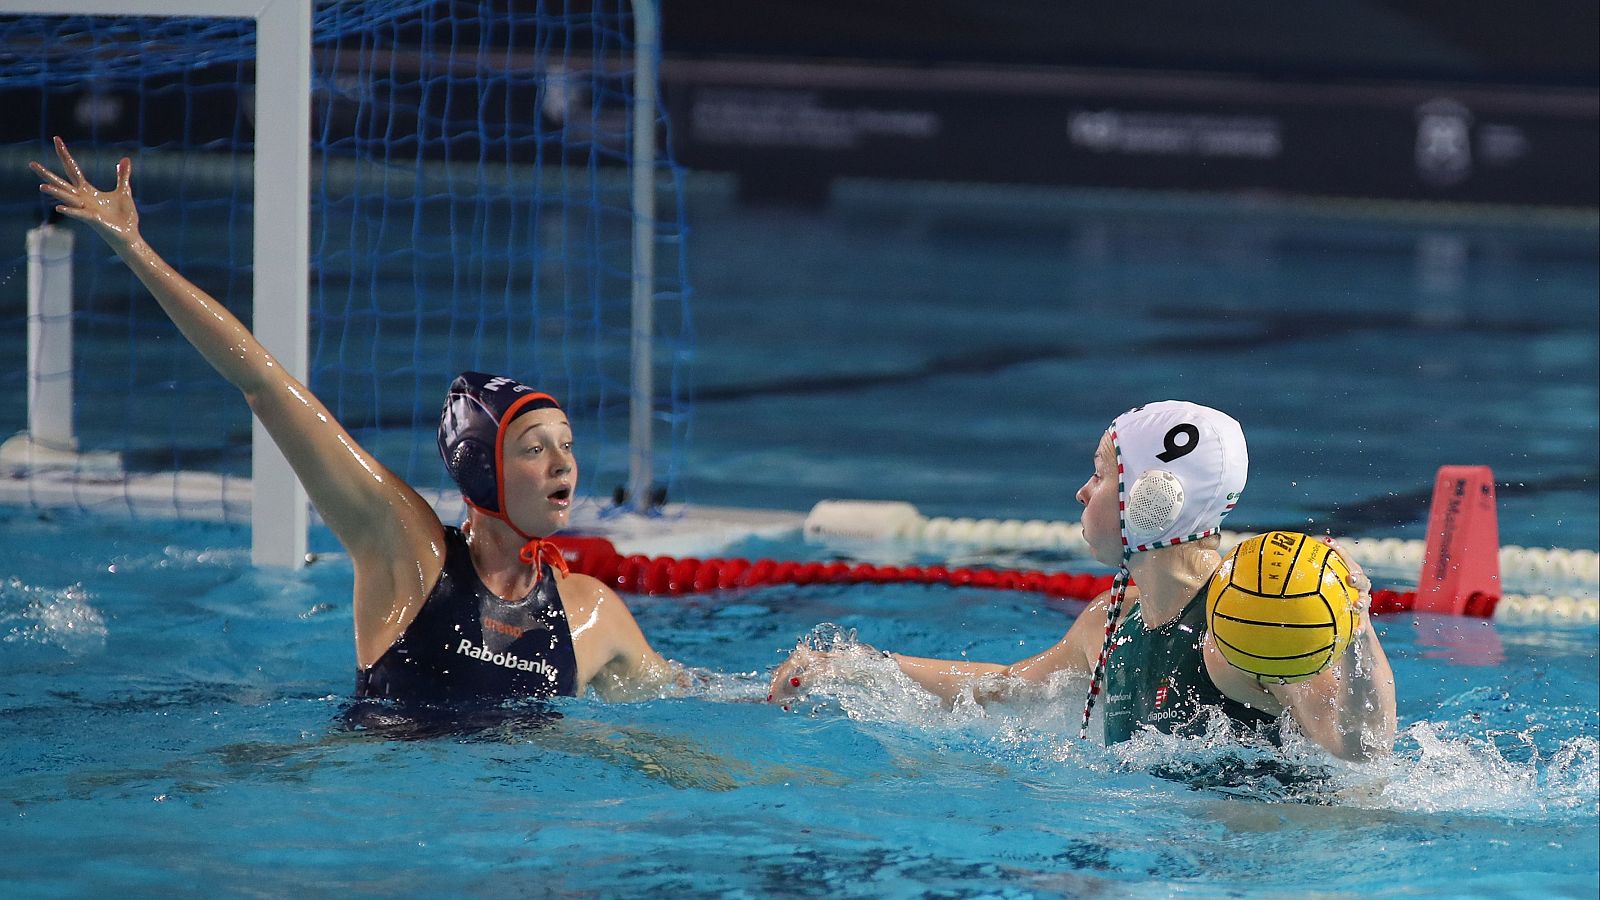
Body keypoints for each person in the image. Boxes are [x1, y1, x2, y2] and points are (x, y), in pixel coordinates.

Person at [34, 137, 682, 706]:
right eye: (536, 449)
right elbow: (265, 385)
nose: (564, 463)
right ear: (484, 468)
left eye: (566, 445)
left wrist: (752, 714)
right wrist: (135, 248)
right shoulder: (409, 552)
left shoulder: (590, 612)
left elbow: (691, 702)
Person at [768, 401, 1397, 762]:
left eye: (1100, 475)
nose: (1082, 491)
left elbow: (1358, 749)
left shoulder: (1246, 619)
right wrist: (862, 667)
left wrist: (1353, 631)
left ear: (1152, 497)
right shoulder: (1109, 619)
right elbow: (1005, 689)